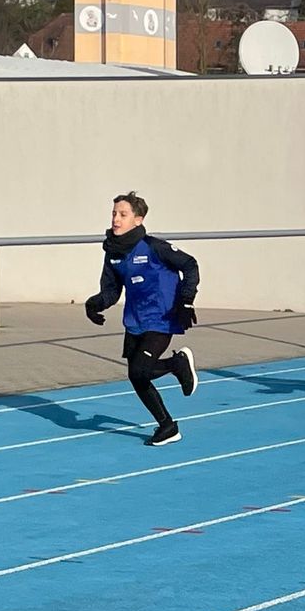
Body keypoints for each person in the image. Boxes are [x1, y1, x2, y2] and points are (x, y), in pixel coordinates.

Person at [84, 191, 200, 446]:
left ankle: (178, 363)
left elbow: (190, 265)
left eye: (123, 214)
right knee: (136, 376)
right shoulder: (112, 252)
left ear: (138, 219)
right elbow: (112, 290)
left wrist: (186, 300)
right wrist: (95, 304)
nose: (116, 219)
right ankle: (167, 427)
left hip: (162, 317)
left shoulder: (154, 247)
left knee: (141, 369)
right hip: (135, 320)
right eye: (114, 214)